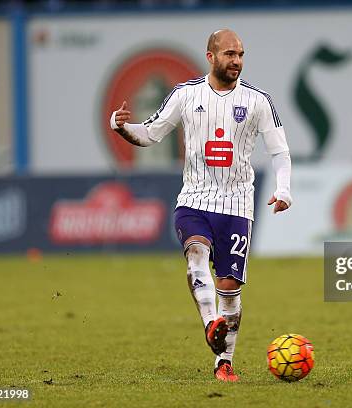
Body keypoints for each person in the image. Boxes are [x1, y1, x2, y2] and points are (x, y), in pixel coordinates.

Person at [110, 29, 292, 381]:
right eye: (229, 54)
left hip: (238, 206)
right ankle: (212, 325)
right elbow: (150, 133)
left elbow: (279, 151)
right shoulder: (185, 94)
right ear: (210, 57)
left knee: (229, 288)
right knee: (195, 254)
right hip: (194, 200)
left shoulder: (258, 101)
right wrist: (120, 127)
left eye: (240, 54)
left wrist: (283, 189)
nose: (236, 60)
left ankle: (224, 362)